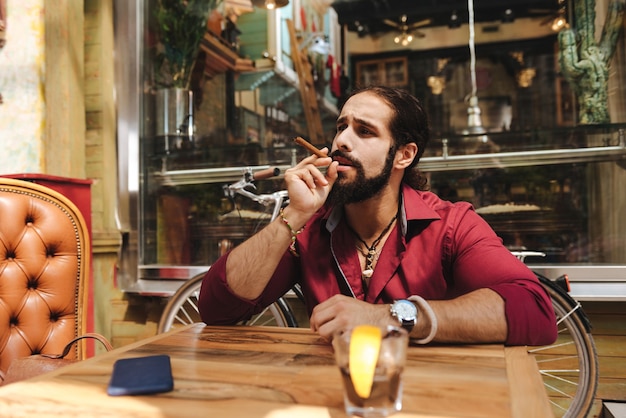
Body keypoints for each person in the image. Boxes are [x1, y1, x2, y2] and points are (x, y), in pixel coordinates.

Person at [198, 86, 557, 346]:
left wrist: (391, 316)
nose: (342, 141)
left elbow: (536, 310)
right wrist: (294, 214)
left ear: (403, 155)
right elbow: (217, 309)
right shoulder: (309, 227)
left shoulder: (451, 224)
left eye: (364, 131)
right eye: (341, 127)